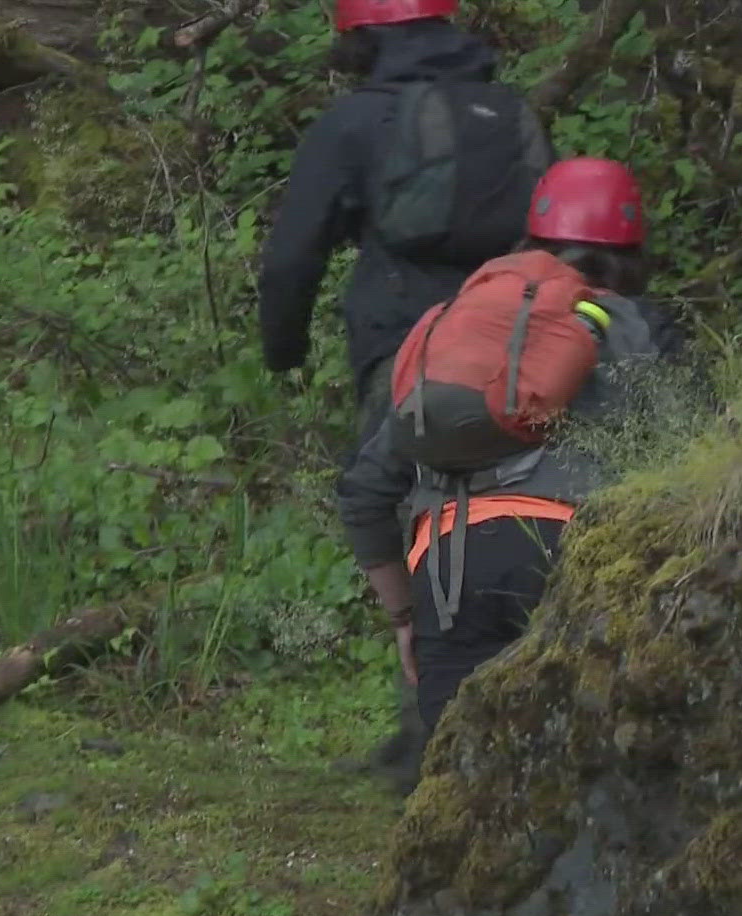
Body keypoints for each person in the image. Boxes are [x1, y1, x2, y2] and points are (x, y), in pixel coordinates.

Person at [335, 158, 691, 795]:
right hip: (578, 559)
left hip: (450, 569)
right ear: (634, 250)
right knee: (589, 782)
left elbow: (366, 492)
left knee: (455, 795)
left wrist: (403, 621)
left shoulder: (462, 332)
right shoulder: (642, 330)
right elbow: (691, 460)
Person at [257, 0, 553, 445]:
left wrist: (284, 351)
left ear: (359, 36)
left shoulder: (353, 123)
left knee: (376, 501)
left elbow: (293, 256)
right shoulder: (510, 113)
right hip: (526, 354)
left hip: (405, 350)